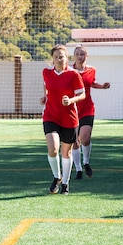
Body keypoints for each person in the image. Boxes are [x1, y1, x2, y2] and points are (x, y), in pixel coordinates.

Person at [41, 44, 85, 195]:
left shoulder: (73, 75)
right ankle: (57, 177)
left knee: (66, 153)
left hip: (69, 118)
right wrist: (45, 97)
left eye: (62, 57)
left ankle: (65, 183)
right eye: (56, 57)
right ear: (52, 59)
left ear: (67, 58)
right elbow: (46, 86)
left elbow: (82, 94)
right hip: (51, 115)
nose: (59, 59)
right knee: (53, 149)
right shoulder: (46, 73)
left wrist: (71, 101)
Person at [71, 45, 110, 179]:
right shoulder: (69, 71)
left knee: (85, 139)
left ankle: (86, 162)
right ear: (74, 56)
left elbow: (91, 83)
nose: (80, 56)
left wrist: (102, 87)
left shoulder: (91, 70)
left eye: (82, 54)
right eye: (77, 54)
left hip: (87, 108)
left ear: (86, 56)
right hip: (72, 110)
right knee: (75, 142)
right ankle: (78, 170)